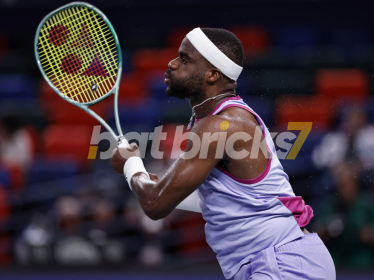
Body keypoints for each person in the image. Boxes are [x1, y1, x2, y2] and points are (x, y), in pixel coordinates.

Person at [111, 27, 335, 279]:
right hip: (282, 261)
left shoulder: (220, 125)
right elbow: (230, 201)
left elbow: (155, 204)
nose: (172, 64)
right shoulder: (224, 120)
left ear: (212, 74)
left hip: (284, 264)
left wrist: (132, 166)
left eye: (184, 59)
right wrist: (161, 185)